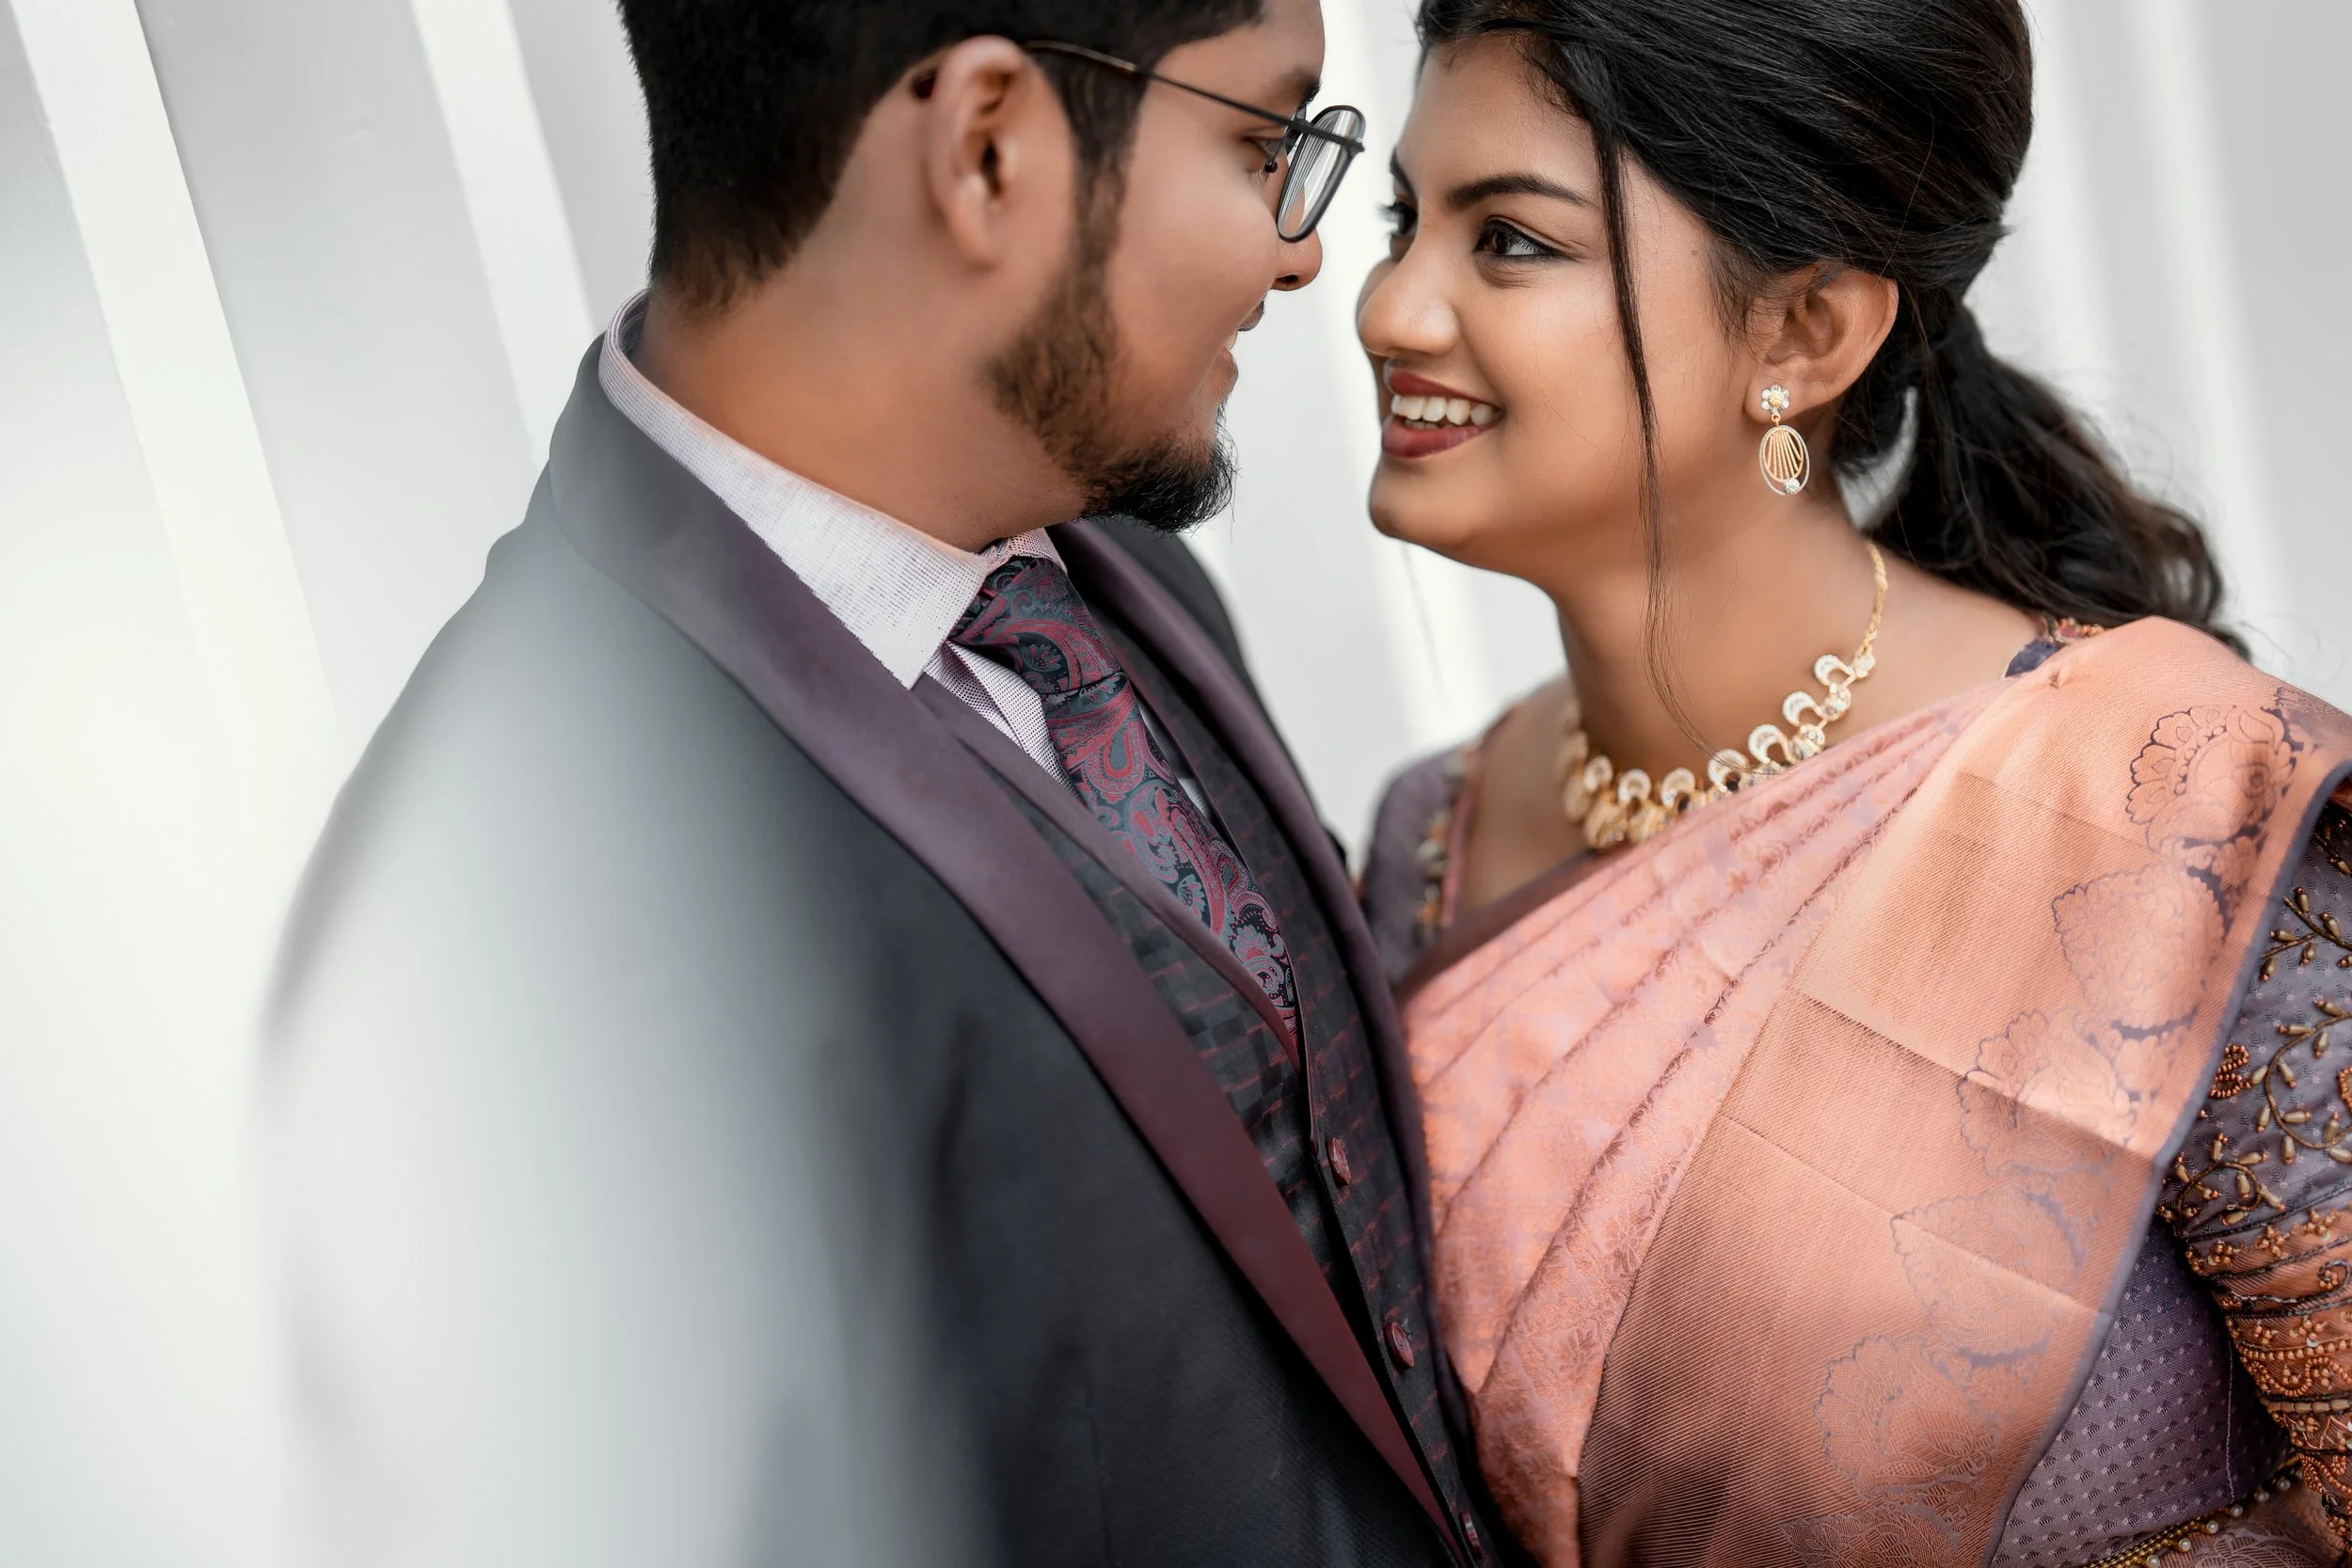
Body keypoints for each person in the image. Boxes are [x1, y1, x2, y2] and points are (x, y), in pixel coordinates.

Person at [265, 2, 1496, 1563]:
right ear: (987, 148)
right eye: (1262, 142)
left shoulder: (1106, 563)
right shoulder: (516, 913)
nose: (1302, 253)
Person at [1354, 3, 2352, 1566]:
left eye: (1512, 244)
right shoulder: (1432, 832)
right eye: (1402, 219)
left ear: (1804, 333)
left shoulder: (2168, 804)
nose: (1390, 307)